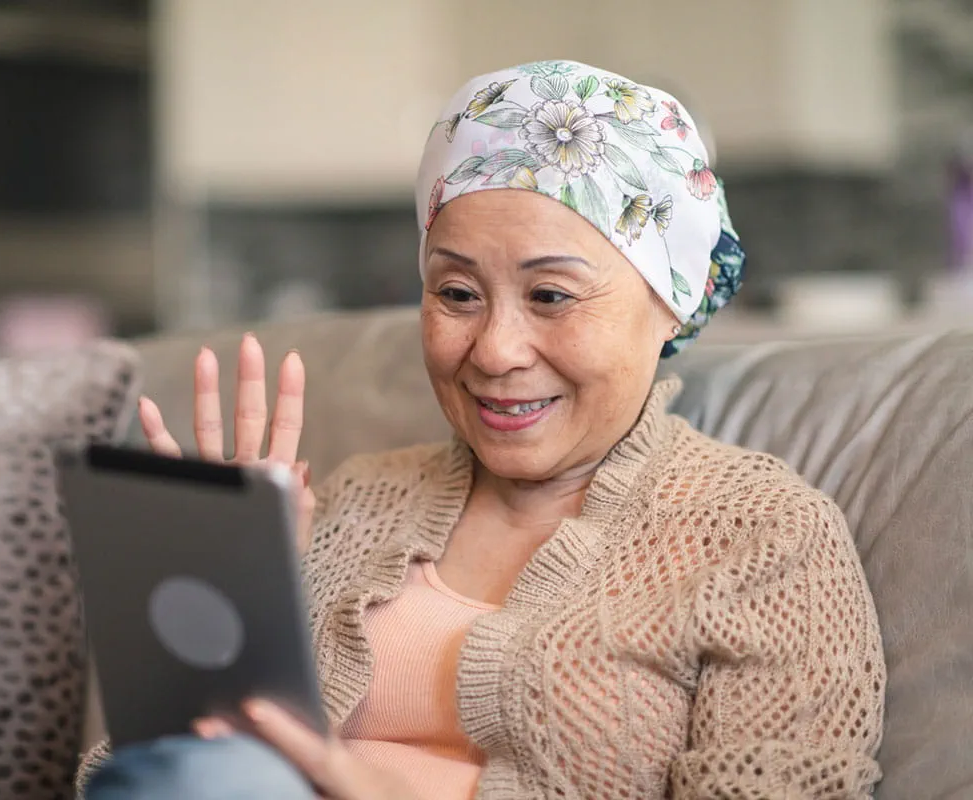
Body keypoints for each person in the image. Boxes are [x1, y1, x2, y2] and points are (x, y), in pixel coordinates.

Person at [76, 61, 886, 799]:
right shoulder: (356, 499)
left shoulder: (764, 536)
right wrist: (234, 612)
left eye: (551, 296)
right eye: (457, 293)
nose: (495, 351)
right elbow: (133, 776)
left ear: (670, 300)